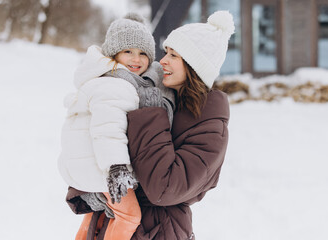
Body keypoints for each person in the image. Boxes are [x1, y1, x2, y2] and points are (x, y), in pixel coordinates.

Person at [66, 10, 234, 239]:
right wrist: (91, 189)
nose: (162, 61)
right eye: (165, 52)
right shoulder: (157, 94)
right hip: (113, 222)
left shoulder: (208, 122)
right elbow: (98, 138)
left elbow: (163, 189)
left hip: (158, 231)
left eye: (173, 56)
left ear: (194, 65)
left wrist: (150, 113)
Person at [58, 13, 174, 240]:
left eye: (143, 53)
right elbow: (108, 128)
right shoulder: (116, 85)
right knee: (129, 216)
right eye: (128, 51)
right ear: (113, 54)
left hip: (88, 163)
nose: (136, 59)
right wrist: (117, 166)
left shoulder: (109, 79)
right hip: (103, 166)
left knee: (102, 215)